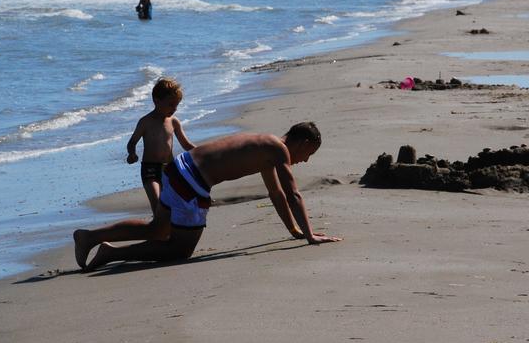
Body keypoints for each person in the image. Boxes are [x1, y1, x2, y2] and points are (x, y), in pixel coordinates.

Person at [73, 122, 339, 271]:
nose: (304, 161)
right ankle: (109, 255)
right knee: (180, 250)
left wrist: (294, 228)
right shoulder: (278, 151)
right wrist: (310, 235)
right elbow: (293, 193)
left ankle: (91, 237)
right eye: (309, 154)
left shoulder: (266, 145)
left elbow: (277, 194)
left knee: (158, 228)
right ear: (303, 143)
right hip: (192, 182)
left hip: (179, 167)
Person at [127, 78, 196, 215]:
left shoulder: (174, 122)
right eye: (170, 105)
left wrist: (202, 152)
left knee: (173, 202)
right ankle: (158, 230)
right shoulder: (145, 122)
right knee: (157, 202)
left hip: (169, 168)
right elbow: (132, 141)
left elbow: (186, 144)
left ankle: (169, 229)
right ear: (156, 100)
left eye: (176, 105)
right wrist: (132, 153)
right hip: (150, 169)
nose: (174, 109)